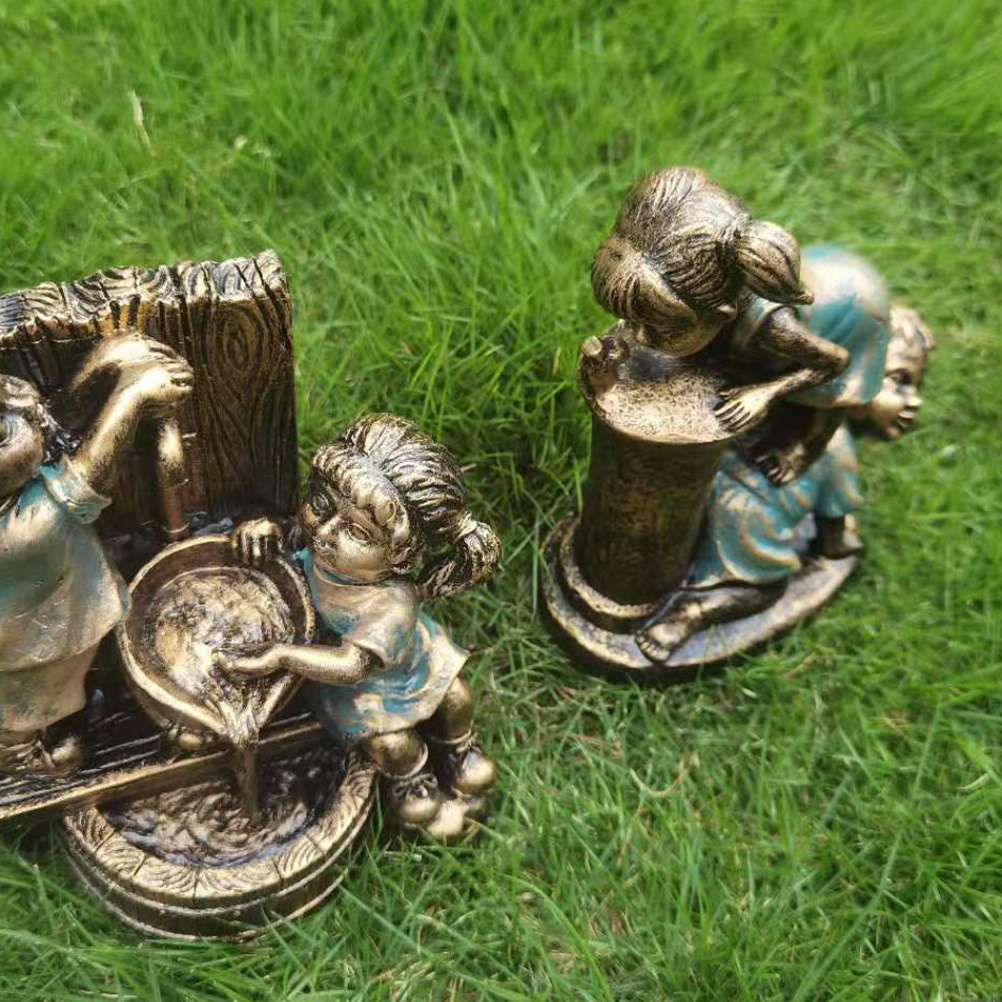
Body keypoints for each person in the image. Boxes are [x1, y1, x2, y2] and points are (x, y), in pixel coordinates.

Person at [217, 414, 501, 840]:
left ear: (402, 559)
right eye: (321, 503)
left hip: (375, 673)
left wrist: (280, 656)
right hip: (353, 683)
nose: (325, 531)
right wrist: (261, 531)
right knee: (393, 744)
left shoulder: (392, 602)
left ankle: (457, 747)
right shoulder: (317, 542)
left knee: (456, 696)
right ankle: (412, 774)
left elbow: (352, 667)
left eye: (358, 533)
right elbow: (288, 538)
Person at [637, 305, 934, 663]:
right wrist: (842, 545)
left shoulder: (765, 391)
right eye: (899, 380)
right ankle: (692, 613)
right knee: (765, 590)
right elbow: (834, 532)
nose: (914, 401)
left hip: (700, 487)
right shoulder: (834, 445)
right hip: (746, 530)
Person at [588, 167, 892, 484]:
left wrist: (764, 393)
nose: (638, 336)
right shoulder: (714, 304)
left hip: (853, 315)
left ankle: (803, 454)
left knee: (825, 404)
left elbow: (835, 362)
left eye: (657, 327)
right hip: (823, 273)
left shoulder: (774, 330)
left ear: (720, 316)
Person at [0, 334, 193, 774]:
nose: (30, 423)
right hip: (36, 659)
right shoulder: (24, 533)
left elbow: (50, 433)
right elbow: (87, 479)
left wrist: (103, 364)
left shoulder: (12, 481)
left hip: (58, 620)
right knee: (52, 732)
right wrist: (133, 397)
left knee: (94, 669)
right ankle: (30, 757)